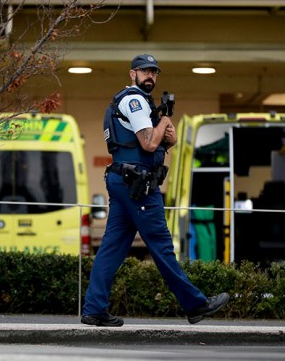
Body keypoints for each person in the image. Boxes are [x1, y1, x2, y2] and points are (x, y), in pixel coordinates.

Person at [81, 54, 229, 327]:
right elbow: (148, 144)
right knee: (161, 245)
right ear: (132, 74)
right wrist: (163, 125)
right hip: (137, 184)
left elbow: (145, 146)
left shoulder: (135, 102)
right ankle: (195, 304)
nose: (150, 75)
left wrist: (166, 141)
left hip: (124, 180)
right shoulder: (135, 101)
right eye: (144, 71)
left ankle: (94, 309)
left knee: (112, 248)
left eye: (154, 72)